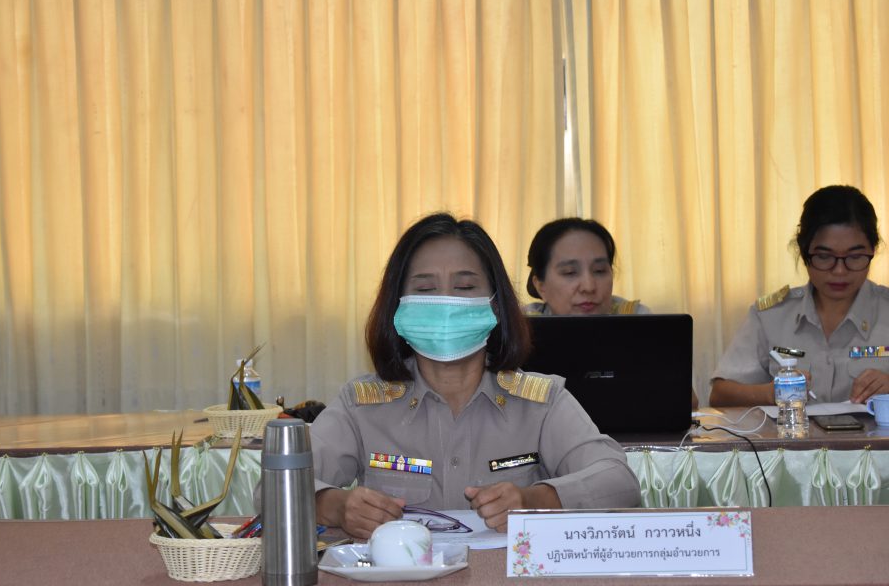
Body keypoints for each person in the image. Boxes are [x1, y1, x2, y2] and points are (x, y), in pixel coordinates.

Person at [310, 213, 640, 539]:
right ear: (398, 305)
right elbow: (285, 482)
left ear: (495, 304)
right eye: (425, 288)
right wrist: (335, 506)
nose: (446, 303)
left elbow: (618, 481)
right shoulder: (361, 405)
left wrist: (535, 501)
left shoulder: (542, 402)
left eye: (465, 286)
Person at [710, 185, 889, 407]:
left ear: (873, 250)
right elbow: (720, 394)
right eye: (824, 256)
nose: (839, 271)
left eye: (855, 256)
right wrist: (770, 393)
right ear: (804, 253)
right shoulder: (771, 316)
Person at [523, 218, 650, 316]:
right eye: (570, 272)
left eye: (599, 271)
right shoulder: (520, 327)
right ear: (541, 286)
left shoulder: (638, 319)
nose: (589, 287)